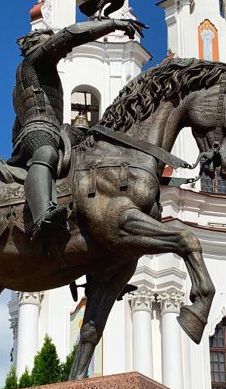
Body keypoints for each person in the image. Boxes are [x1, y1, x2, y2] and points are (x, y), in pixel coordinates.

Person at [10, 14, 143, 236]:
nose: (55, 47)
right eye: (47, 41)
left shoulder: (44, 74)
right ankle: (43, 216)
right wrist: (112, 24)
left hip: (57, 130)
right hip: (38, 128)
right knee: (46, 154)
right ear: (34, 45)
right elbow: (68, 36)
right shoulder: (33, 62)